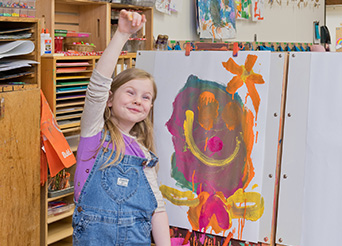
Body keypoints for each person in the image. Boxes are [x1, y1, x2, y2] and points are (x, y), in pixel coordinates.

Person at [72, 9, 171, 246]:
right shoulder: (94, 136)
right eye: (130, 92)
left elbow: (157, 208)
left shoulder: (144, 155)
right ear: (109, 99)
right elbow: (97, 86)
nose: (139, 100)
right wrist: (122, 34)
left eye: (146, 97)